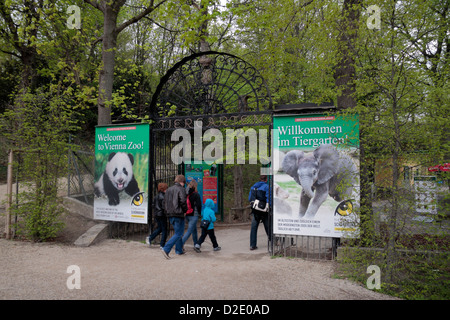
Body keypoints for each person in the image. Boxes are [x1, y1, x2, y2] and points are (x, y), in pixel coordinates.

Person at [161, 175, 188, 259]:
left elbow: (164, 203)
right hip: (178, 214)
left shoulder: (168, 190)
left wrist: (167, 211)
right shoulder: (181, 189)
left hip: (170, 214)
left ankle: (179, 250)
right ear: (182, 182)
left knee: (177, 232)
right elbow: (183, 201)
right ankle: (166, 249)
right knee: (179, 233)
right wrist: (185, 210)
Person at [248, 175, 271, 250]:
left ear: (260, 179)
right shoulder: (266, 187)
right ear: (266, 179)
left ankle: (252, 245)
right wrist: (269, 206)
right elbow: (269, 197)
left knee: (254, 228)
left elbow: (250, 198)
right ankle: (272, 241)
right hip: (264, 210)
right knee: (268, 226)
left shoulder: (253, 187)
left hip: (256, 210)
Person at [146, 183, 168, 248]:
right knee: (164, 230)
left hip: (157, 214)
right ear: (164, 189)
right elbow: (164, 207)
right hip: (162, 214)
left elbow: (153, 205)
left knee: (160, 228)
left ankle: (150, 238)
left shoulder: (156, 196)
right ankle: (162, 244)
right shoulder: (164, 197)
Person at [182, 180, 202, 249]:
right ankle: (180, 243)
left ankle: (196, 243)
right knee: (189, 230)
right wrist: (199, 213)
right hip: (194, 214)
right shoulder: (196, 194)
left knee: (194, 229)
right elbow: (199, 205)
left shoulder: (185, 193)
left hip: (187, 214)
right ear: (195, 186)